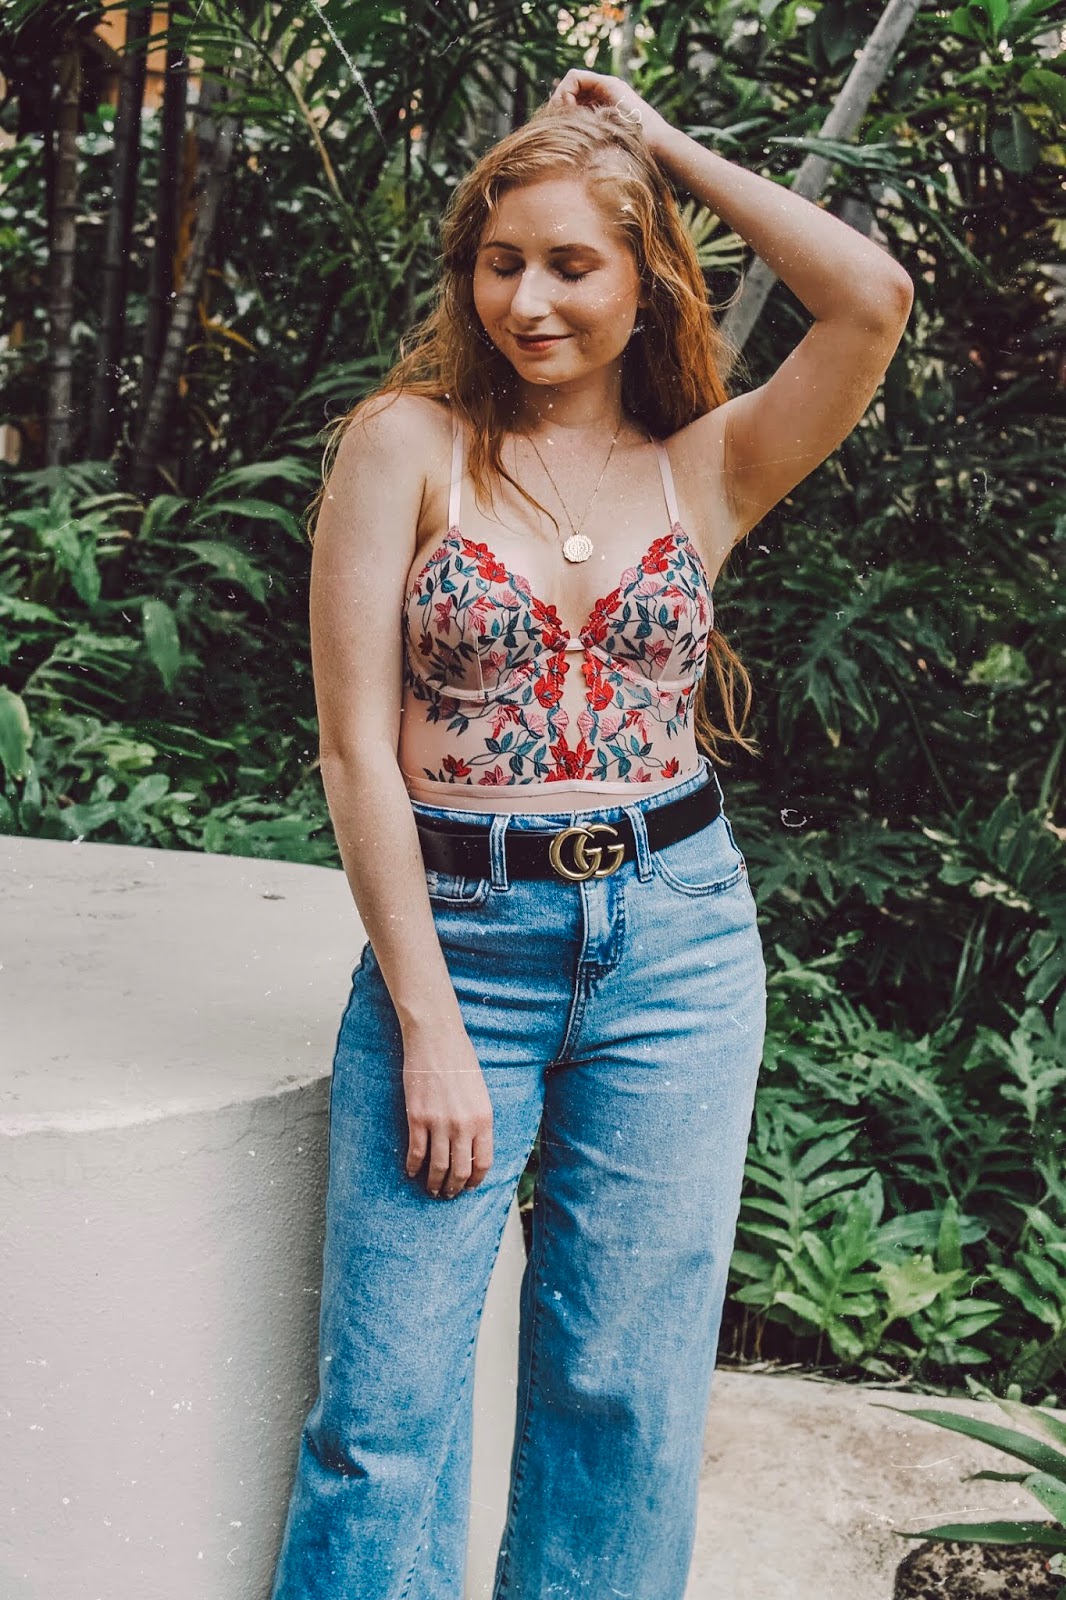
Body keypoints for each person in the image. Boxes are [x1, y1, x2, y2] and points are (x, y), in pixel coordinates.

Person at [269, 67, 912, 1600]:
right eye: (501, 262)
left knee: (622, 1400)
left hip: (676, 946)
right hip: (467, 947)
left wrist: (664, 147)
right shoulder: (405, 446)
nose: (529, 300)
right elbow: (359, 753)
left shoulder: (705, 466)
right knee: (385, 1418)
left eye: (572, 262)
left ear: (643, 274)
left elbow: (870, 298)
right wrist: (424, 1019)